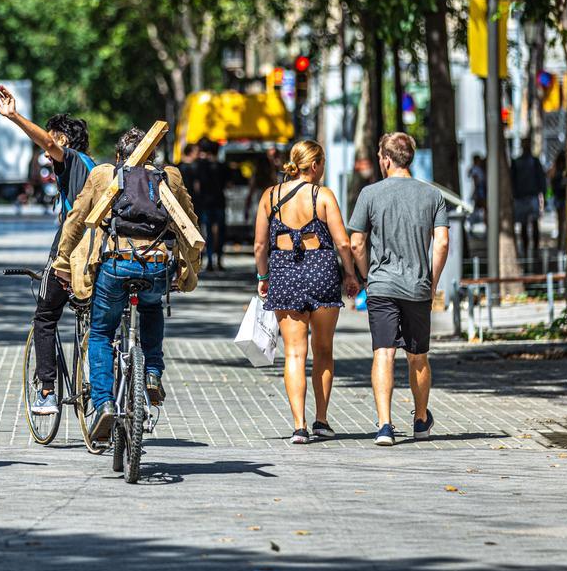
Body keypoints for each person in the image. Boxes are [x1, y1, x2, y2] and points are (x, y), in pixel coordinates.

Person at [53, 127, 201, 441]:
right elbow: (190, 223)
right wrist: (188, 273)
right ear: (153, 156)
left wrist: (63, 262)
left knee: (103, 332)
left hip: (116, 263)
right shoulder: (168, 177)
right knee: (151, 310)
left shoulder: (104, 175)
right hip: (156, 265)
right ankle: (151, 373)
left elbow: (76, 221)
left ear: (119, 155)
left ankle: (105, 403)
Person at [0, 85, 94, 415]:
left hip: (69, 257)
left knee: (45, 317)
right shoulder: (96, 167)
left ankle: (47, 390)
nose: (46, 152)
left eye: (50, 143)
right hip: (101, 258)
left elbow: (50, 144)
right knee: (99, 324)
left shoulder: (72, 161)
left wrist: (14, 117)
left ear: (63, 141)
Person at [254, 140, 360, 444]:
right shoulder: (323, 196)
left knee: (294, 352)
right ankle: (321, 420)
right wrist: (350, 274)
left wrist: (264, 275)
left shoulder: (269, 196)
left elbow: (261, 245)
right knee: (324, 349)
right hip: (321, 270)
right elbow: (342, 243)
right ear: (314, 165)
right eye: (322, 163)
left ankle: (299, 426)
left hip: (284, 271)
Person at [348, 132, 449, 447]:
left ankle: (385, 425)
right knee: (418, 356)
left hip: (381, 285)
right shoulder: (433, 196)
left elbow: (356, 242)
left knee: (384, 352)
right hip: (417, 286)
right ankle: (420, 420)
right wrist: (432, 281)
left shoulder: (370, 194)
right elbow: (442, 241)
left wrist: (367, 276)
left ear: (386, 159)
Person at [191, 139, 228, 271]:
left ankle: (210, 261)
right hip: (220, 202)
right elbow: (228, 184)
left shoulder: (200, 166)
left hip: (205, 203)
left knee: (207, 233)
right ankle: (219, 260)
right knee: (221, 232)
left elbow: (197, 186)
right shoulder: (222, 166)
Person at [511, 147, 547, 265]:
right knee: (523, 226)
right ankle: (526, 250)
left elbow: (541, 179)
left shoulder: (535, 162)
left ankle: (535, 250)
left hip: (532, 197)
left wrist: (543, 196)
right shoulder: (516, 162)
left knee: (534, 224)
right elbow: (512, 180)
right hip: (521, 198)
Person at [548, 149, 567, 246]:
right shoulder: (557, 170)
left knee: (563, 223)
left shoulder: (563, 170)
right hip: (560, 198)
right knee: (562, 223)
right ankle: (562, 244)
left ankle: (563, 243)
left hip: (562, 198)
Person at [468, 154, 487, 224]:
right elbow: (476, 180)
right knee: (482, 207)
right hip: (480, 190)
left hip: (480, 189)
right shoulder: (476, 169)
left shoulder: (477, 168)